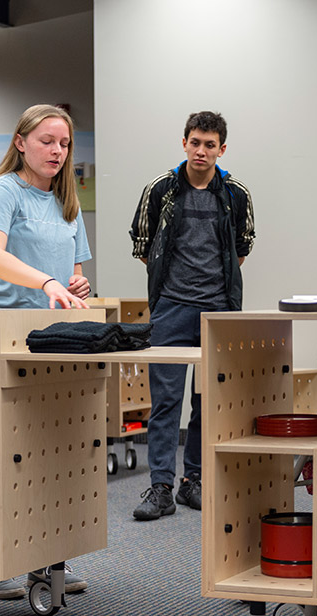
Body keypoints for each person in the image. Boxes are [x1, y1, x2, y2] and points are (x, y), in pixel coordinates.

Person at [0, 104, 93, 598]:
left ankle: (46, 563)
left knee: (49, 445)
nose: (56, 151)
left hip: (49, 329)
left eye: (63, 143)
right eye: (46, 141)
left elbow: (76, 269)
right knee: (2, 445)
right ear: (21, 143)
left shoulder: (67, 200)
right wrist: (46, 281)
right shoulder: (1, 192)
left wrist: (74, 284)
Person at [129, 110, 255, 520]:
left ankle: (192, 481)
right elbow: (145, 247)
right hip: (171, 308)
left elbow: (240, 250)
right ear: (184, 143)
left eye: (210, 144)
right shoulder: (160, 189)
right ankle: (160, 487)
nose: (201, 151)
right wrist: (174, 291)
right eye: (195, 142)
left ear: (222, 149)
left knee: (208, 400)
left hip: (218, 311)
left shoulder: (235, 194)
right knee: (166, 401)